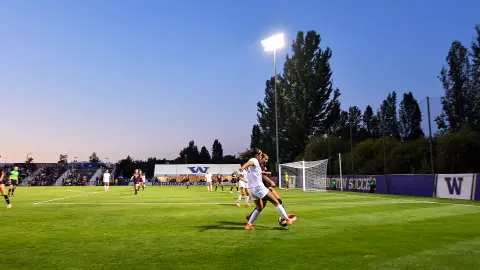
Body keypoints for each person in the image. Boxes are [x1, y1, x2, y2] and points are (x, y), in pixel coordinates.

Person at [239, 148, 296, 230]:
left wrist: (265, 172)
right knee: (276, 202)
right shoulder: (254, 160)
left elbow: (256, 171)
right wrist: (242, 167)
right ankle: (287, 220)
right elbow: (249, 163)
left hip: (251, 189)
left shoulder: (254, 163)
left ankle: (249, 225)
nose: (261, 156)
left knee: (260, 207)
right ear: (257, 155)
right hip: (258, 187)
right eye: (261, 155)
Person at [246, 154, 284, 221]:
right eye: (265, 159)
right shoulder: (258, 165)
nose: (266, 161)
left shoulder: (262, 166)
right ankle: (284, 216)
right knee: (276, 198)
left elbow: (261, 174)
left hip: (260, 185)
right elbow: (262, 176)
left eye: (267, 159)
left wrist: (266, 173)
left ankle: (250, 217)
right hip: (260, 186)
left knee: (262, 204)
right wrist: (271, 182)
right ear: (261, 158)